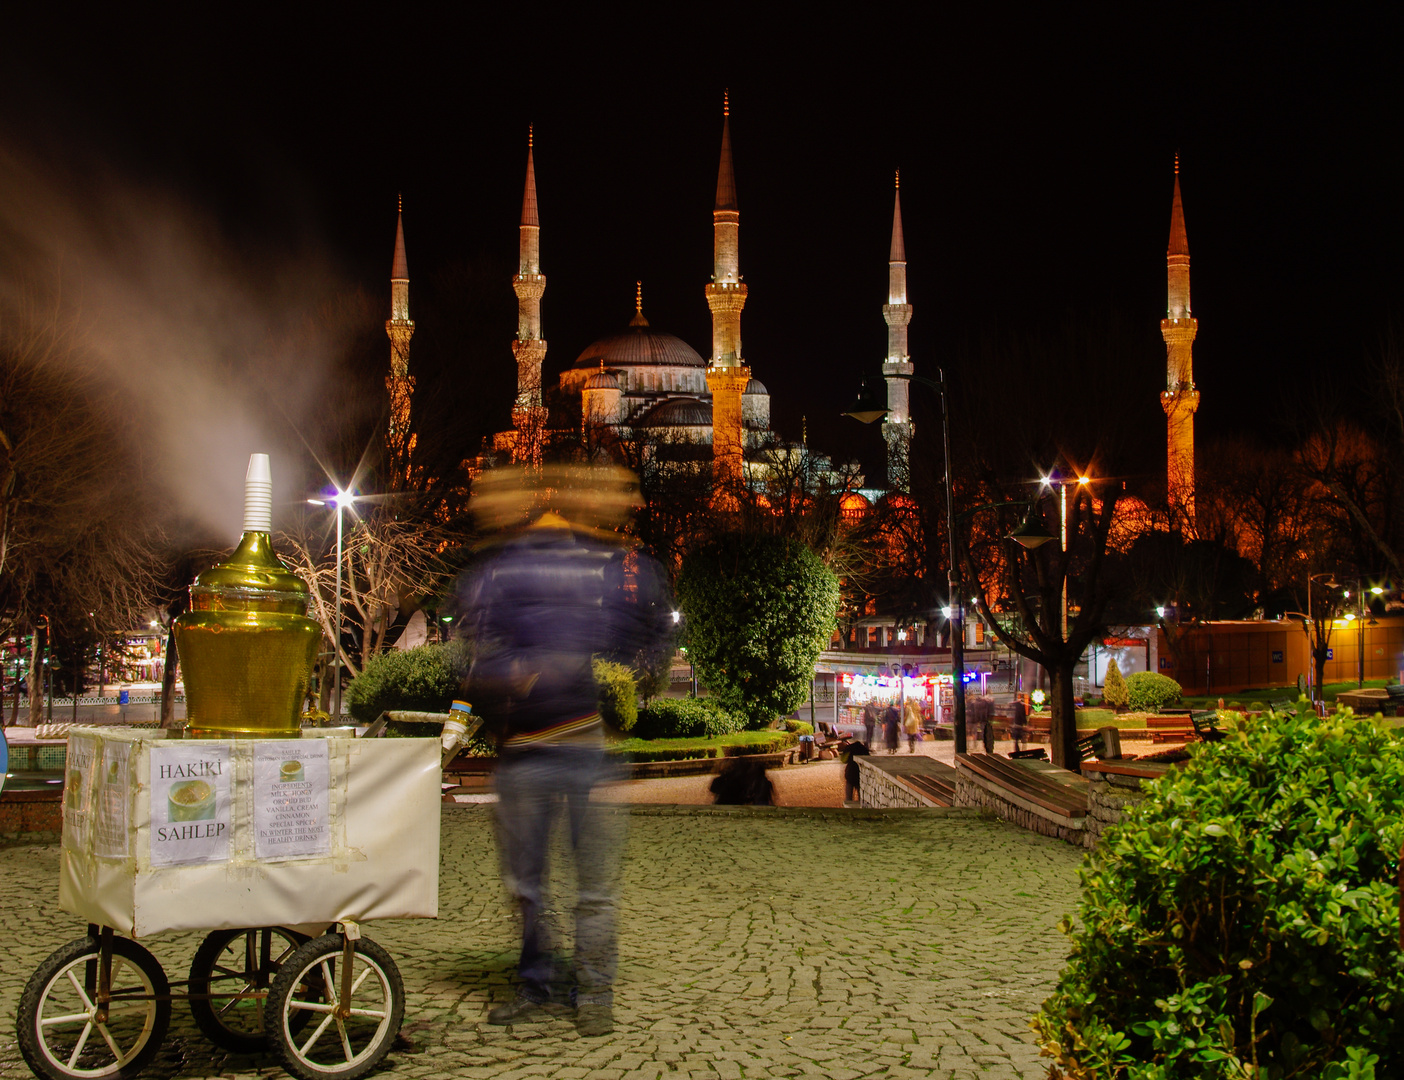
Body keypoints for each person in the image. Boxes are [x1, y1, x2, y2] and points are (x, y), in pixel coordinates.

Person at [462, 466, 669, 1038]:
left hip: (576, 744)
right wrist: (516, 671)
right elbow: (479, 649)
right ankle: (543, 985)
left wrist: (542, 666)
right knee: (530, 886)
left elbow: (632, 624)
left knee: (590, 887)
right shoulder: (507, 566)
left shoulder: (576, 561)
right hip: (530, 748)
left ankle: (593, 992)